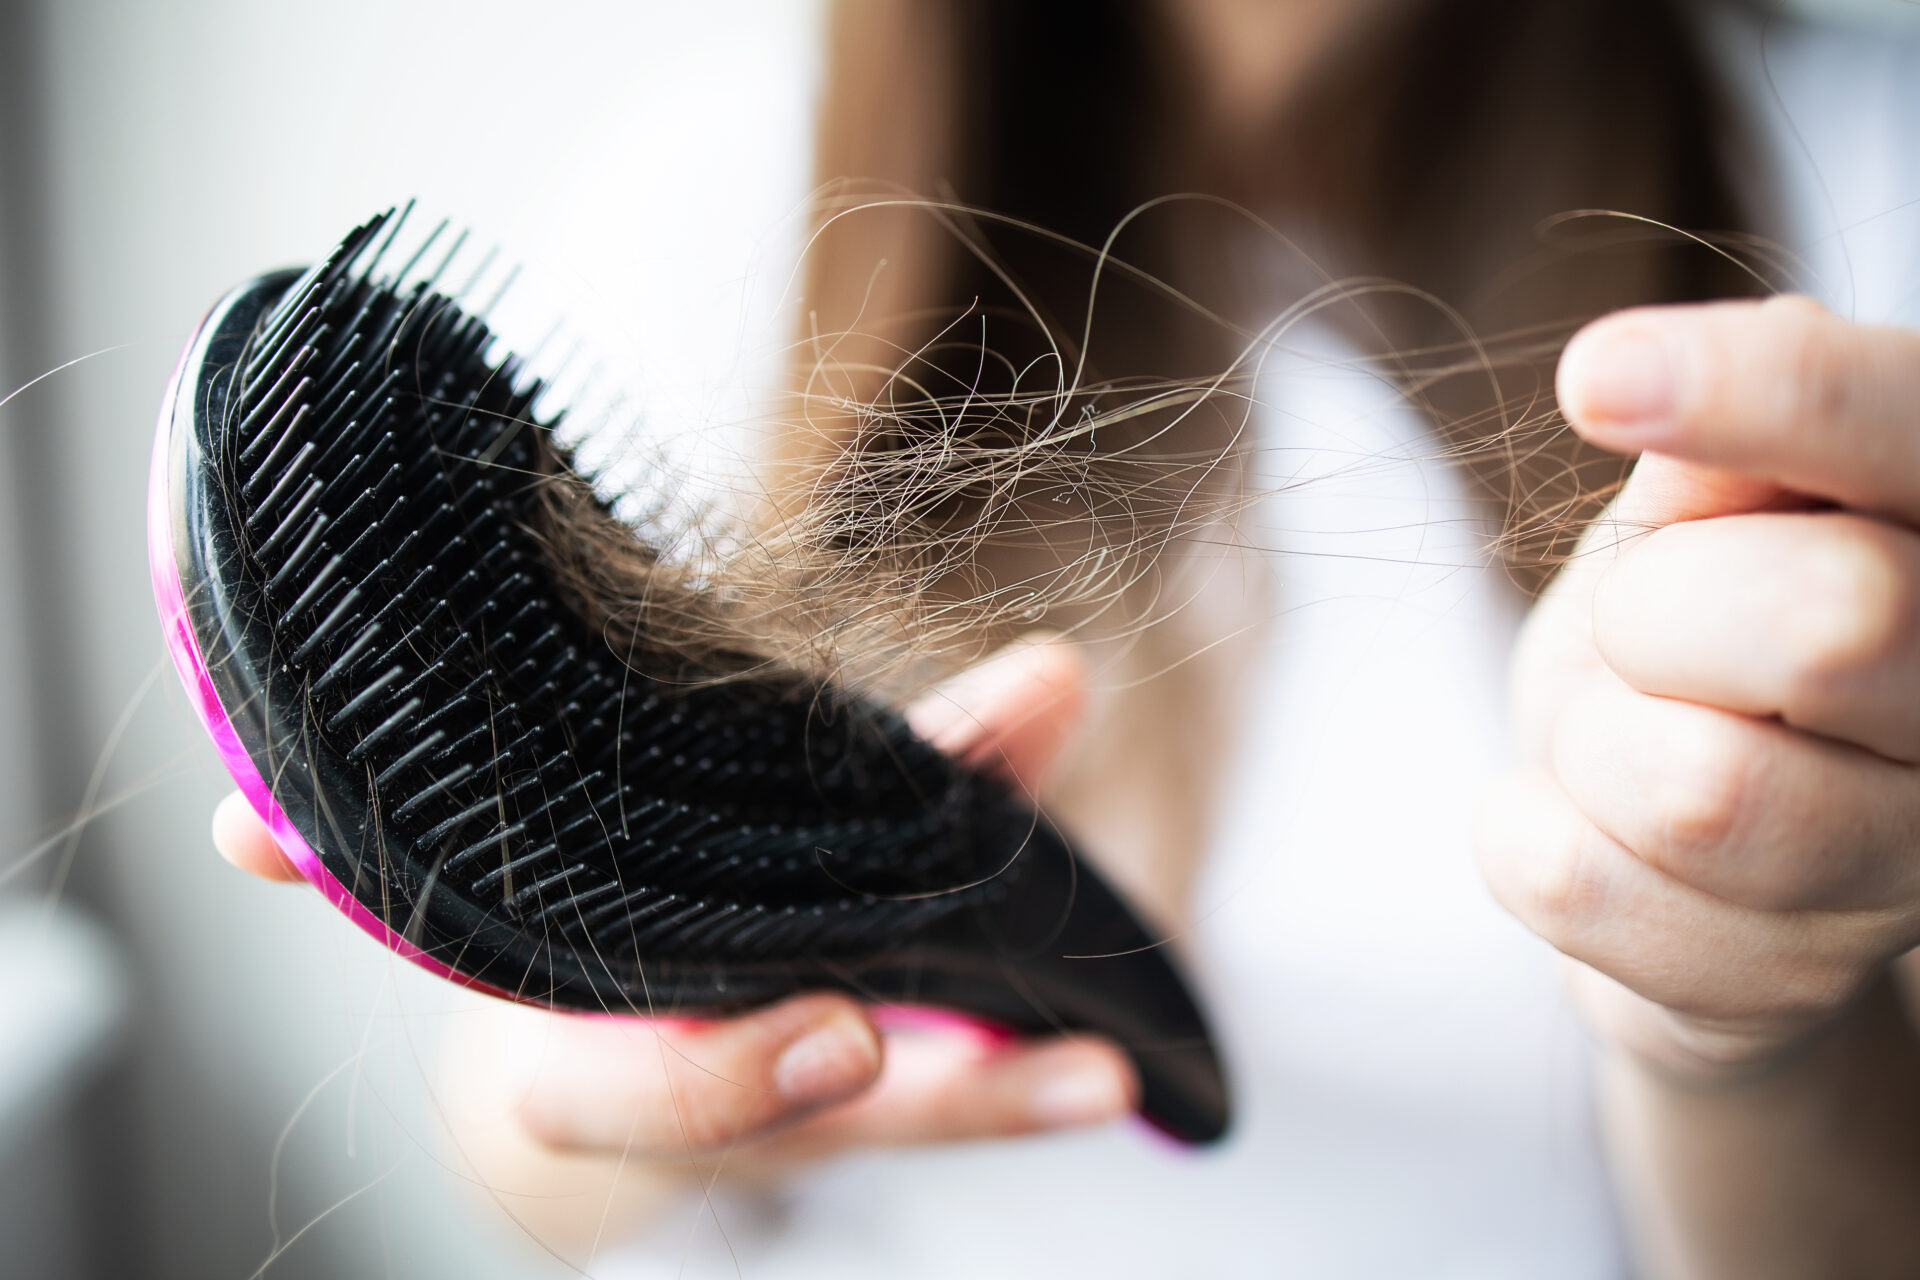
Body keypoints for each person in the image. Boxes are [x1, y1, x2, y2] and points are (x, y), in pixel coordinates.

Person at [212, 0, 1920, 1274]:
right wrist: (627, 1079)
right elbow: (523, 1162)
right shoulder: (722, 190)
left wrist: (1747, 1031)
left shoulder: (1866, 197)